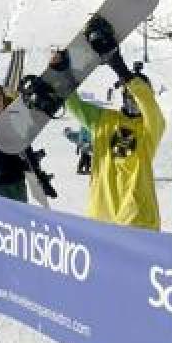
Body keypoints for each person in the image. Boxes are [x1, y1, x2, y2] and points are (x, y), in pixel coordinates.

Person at [64, 37, 165, 229]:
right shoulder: (105, 119)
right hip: (102, 217)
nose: (135, 101)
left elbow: (150, 108)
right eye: (130, 96)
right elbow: (75, 105)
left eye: (139, 98)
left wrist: (123, 70)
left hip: (137, 220)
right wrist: (63, 74)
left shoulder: (150, 128)